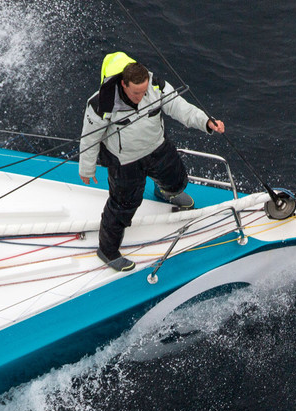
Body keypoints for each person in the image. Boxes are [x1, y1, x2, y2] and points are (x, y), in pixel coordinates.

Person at [79, 52, 225, 271]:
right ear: (123, 84)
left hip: (157, 148)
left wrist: (206, 122)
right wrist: (87, 168)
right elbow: (90, 138)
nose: (141, 96)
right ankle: (107, 251)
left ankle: (165, 192)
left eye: (144, 90)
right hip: (125, 162)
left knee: (178, 182)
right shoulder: (101, 102)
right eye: (136, 92)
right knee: (123, 207)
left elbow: (181, 108)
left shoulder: (156, 86)